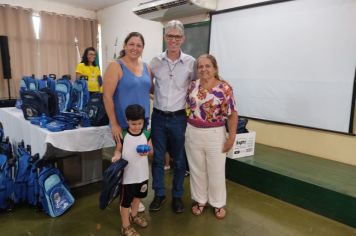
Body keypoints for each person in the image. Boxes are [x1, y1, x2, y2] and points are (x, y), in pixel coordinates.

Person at [103, 32, 152, 215]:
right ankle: (126, 200)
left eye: (139, 45)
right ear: (125, 45)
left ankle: (134, 200)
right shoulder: (116, 66)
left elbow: (151, 89)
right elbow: (107, 97)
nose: (135, 48)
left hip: (142, 125)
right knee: (125, 164)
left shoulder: (147, 67)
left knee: (138, 162)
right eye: (131, 44)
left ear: (142, 48)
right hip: (123, 125)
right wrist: (114, 124)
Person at [149, 20, 196, 213]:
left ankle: (177, 196)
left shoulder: (191, 63)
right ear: (165, 37)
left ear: (183, 39)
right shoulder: (155, 61)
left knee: (179, 159)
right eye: (170, 36)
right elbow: (149, 85)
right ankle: (159, 194)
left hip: (179, 118)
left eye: (177, 36)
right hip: (158, 117)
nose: (174, 40)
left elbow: (195, 88)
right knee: (158, 158)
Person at [185, 54, 238, 220]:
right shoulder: (192, 86)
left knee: (216, 170)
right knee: (196, 170)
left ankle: (218, 203)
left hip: (215, 134)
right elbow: (187, 109)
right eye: (200, 66)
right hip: (193, 132)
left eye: (207, 66)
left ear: (215, 68)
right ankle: (200, 201)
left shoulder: (225, 88)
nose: (203, 69)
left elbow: (233, 114)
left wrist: (231, 137)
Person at [111, 104, 153, 236]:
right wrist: (116, 155)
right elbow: (118, 149)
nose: (137, 126)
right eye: (133, 124)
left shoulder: (146, 134)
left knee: (138, 197)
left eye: (140, 123)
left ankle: (134, 216)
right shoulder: (123, 135)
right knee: (125, 202)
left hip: (142, 174)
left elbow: (151, 150)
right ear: (127, 121)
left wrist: (148, 152)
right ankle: (125, 225)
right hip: (128, 177)